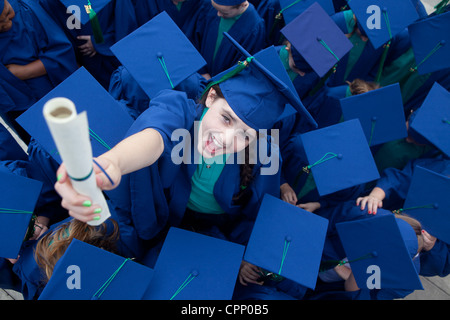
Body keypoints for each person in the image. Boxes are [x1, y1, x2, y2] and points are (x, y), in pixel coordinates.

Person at [53, 41, 317, 266]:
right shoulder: (179, 108)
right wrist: (113, 161)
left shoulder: (265, 154)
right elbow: (155, 134)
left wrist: (245, 254)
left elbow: (258, 212)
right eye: (226, 119)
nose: (226, 139)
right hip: (161, 210)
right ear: (211, 96)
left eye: (245, 134)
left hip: (210, 226)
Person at [0, 0, 78, 142]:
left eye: (6, 13)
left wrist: (22, 72)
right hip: (19, 110)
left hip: (52, 93)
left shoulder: (26, 12)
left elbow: (62, 53)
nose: (7, 23)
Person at [38, 0, 138, 89]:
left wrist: (101, 42)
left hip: (114, 57)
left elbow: (126, 26)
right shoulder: (51, 3)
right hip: (87, 62)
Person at [191, 0, 266, 79]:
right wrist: (202, 71)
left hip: (223, 83)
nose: (218, 14)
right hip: (200, 76)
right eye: (217, 9)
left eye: (224, 12)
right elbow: (196, 38)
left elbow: (245, 66)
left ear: (242, 5)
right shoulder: (211, 7)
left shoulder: (254, 27)